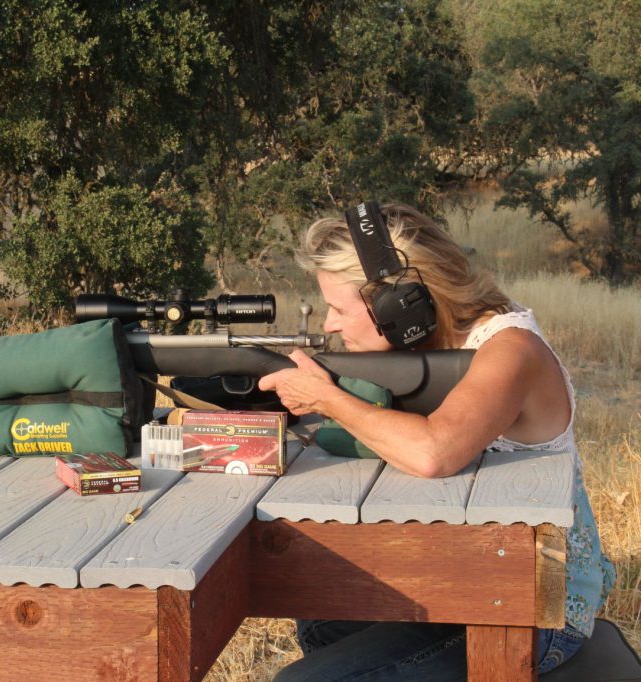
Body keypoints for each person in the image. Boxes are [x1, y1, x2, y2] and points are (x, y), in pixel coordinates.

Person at [257, 202, 616, 680]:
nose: (328, 325)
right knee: (318, 606)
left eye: (339, 309)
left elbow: (433, 453)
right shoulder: (426, 345)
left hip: (531, 602)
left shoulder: (511, 349)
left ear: (396, 303)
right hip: (456, 575)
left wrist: (328, 399)